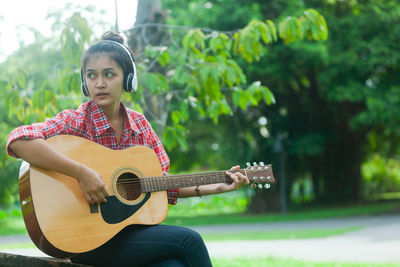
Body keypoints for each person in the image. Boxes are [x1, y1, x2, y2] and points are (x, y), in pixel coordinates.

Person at [6, 31, 249, 267]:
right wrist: (81, 173)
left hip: (129, 236)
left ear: (128, 78)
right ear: (84, 81)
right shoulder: (76, 121)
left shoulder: (139, 126)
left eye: (109, 74)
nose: (99, 83)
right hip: (85, 239)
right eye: (91, 75)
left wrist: (218, 186)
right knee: (189, 241)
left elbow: (160, 184)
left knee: (172, 264)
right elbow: (18, 139)